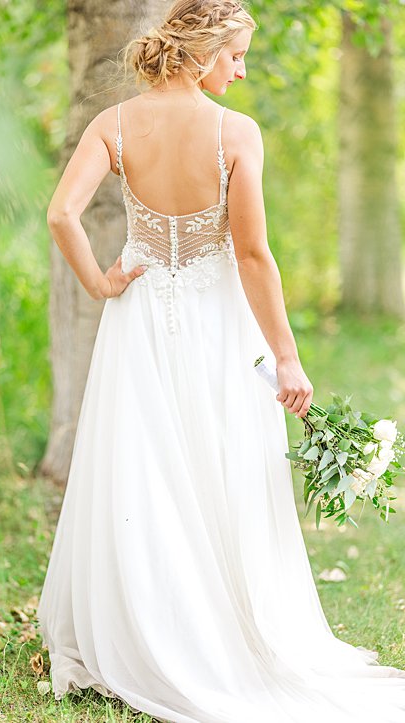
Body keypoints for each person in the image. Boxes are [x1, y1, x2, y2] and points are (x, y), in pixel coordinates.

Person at [39, 2, 405, 719]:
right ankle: (221, 630)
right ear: (202, 54)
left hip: (138, 318)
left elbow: (61, 213)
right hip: (218, 326)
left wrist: (100, 282)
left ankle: (144, 628)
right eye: (236, 56)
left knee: (142, 471)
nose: (241, 69)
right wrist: (288, 357)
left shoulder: (112, 125)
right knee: (225, 467)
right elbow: (251, 254)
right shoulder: (235, 133)